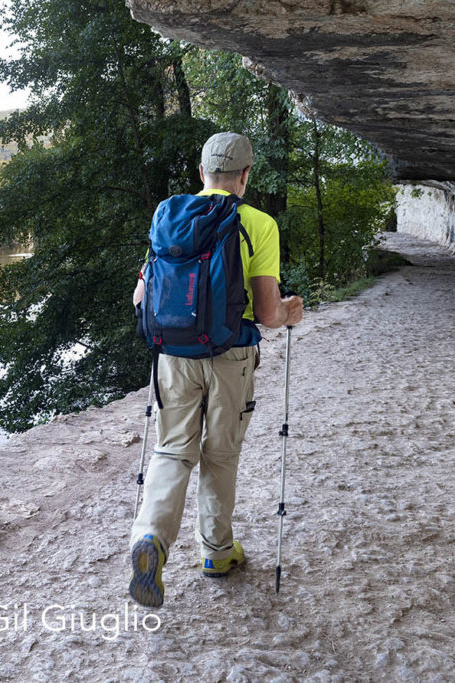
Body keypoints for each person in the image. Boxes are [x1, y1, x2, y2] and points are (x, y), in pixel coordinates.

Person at [128, 132, 304, 608]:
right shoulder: (258, 223)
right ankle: (217, 553)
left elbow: (141, 298)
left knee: (171, 451)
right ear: (246, 175)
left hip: (173, 356)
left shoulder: (169, 216)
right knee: (220, 455)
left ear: (202, 172)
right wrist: (292, 309)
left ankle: (150, 539)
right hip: (231, 356)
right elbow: (268, 313)